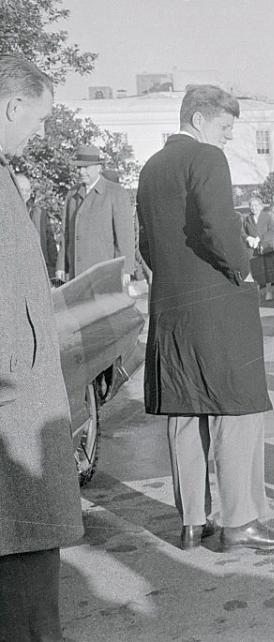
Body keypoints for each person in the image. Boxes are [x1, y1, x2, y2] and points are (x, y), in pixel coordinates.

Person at [136, 84, 274, 552]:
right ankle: (240, 521)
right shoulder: (206, 159)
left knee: (186, 413)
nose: (227, 137)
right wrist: (242, 271)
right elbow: (218, 224)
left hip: (170, 306)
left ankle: (192, 523)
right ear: (201, 119)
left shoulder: (151, 167)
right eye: (225, 127)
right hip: (216, 306)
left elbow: (147, 243)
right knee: (238, 411)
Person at [1, 53, 85, 641]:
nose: (41, 132)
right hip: (15, 424)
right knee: (27, 587)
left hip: (17, 412)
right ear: (12, 106)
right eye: (39, 118)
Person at [56, 144, 135, 284]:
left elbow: (125, 237)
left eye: (86, 167)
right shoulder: (72, 194)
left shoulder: (116, 193)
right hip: (77, 275)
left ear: (99, 168)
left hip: (104, 275)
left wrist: (126, 270)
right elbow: (65, 233)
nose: (81, 172)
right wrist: (61, 266)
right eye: (79, 167)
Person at [15, 172, 58, 277]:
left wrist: (55, 271)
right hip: (17, 271)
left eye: (27, 190)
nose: (25, 193)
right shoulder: (6, 213)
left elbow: (50, 244)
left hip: (41, 269)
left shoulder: (40, 214)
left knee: (59, 286)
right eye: (21, 189)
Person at [241, 195, 274, 302]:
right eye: (251, 205)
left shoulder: (267, 217)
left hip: (266, 247)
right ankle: (257, 293)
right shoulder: (247, 219)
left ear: (260, 206)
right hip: (253, 249)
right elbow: (242, 233)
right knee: (256, 270)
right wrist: (248, 238)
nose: (253, 207)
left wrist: (260, 239)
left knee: (268, 269)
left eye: (255, 205)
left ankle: (268, 291)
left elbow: (273, 232)